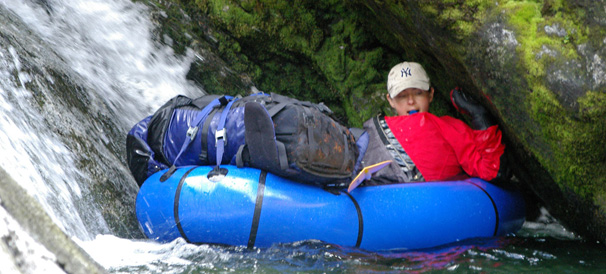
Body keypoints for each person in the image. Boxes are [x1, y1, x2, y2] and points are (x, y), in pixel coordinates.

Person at [360, 61, 510, 185]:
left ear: (430, 94)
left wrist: (479, 117)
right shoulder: (374, 132)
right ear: (390, 101)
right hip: (382, 198)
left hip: (433, 201)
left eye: (418, 93)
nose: (411, 101)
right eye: (402, 96)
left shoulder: (449, 127)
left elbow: (491, 170)